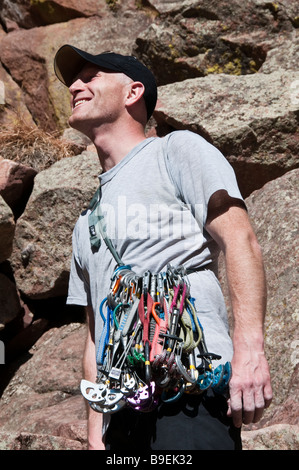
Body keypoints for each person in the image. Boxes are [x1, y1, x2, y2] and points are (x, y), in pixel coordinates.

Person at [54, 45, 273, 451]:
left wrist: (249, 352)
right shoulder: (86, 222)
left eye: (91, 76)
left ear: (133, 92)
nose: (75, 85)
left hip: (190, 381)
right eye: (74, 79)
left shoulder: (177, 151)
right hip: (122, 407)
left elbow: (240, 240)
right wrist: (94, 433)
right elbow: (93, 331)